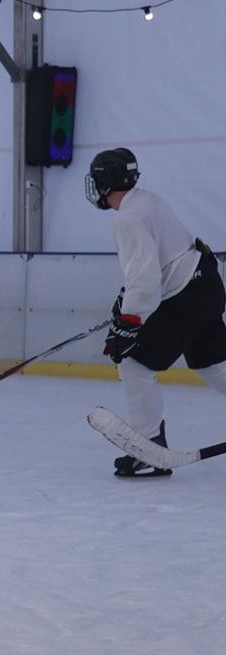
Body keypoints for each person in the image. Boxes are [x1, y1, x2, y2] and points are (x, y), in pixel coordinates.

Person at [87, 147, 226, 477]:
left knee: (134, 364)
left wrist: (129, 323)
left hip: (185, 294)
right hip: (205, 283)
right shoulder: (147, 199)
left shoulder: (128, 218)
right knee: (213, 364)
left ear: (105, 182)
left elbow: (146, 279)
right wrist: (127, 306)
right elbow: (156, 266)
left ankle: (150, 449)